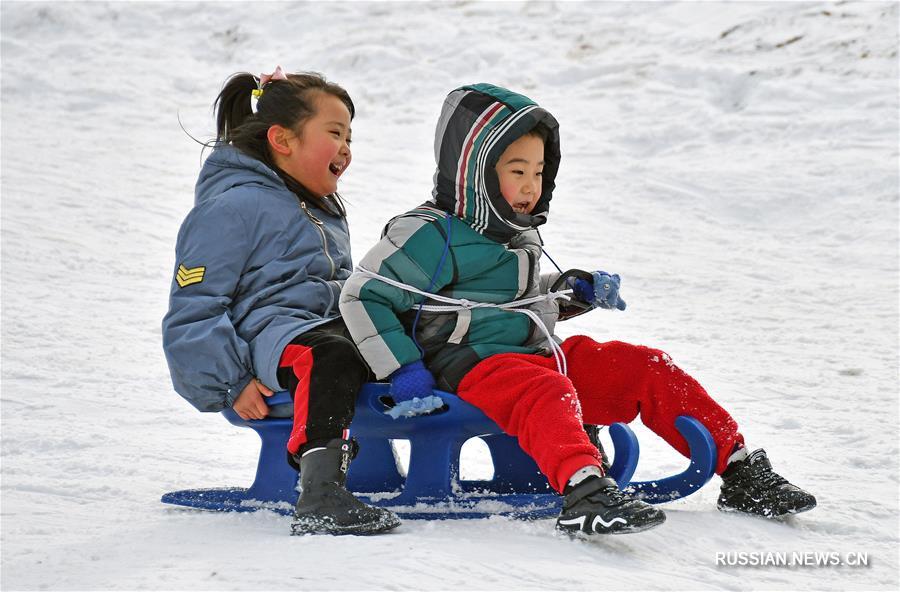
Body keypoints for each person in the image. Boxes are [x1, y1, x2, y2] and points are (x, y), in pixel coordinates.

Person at [339, 83, 816, 536]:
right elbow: (364, 295)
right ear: (476, 171)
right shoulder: (428, 233)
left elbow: (516, 301)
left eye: (539, 172)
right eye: (516, 170)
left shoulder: (516, 230)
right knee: (545, 388)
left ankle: (737, 467)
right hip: (468, 362)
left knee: (640, 365)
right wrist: (402, 368)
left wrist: (569, 291)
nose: (530, 186)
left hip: (533, 353)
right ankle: (585, 490)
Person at [162, 67, 400, 536]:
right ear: (283, 140)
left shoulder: (315, 207)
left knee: (406, 332)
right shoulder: (232, 207)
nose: (347, 148)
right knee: (327, 354)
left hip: (327, 326)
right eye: (335, 133)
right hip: (272, 343)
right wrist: (230, 381)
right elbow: (192, 309)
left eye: (351, 135)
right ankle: (320, 493)